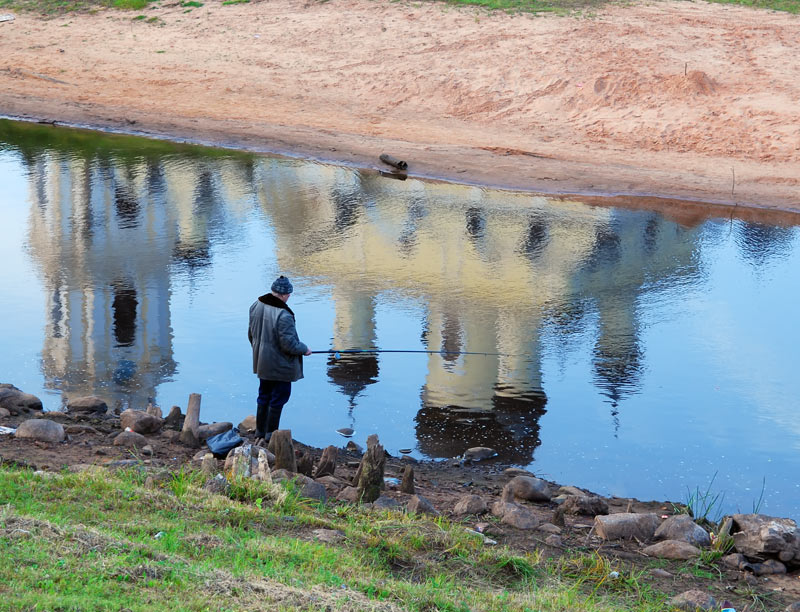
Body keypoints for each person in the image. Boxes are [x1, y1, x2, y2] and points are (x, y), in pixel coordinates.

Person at [248, 275, 311, 445]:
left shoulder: (256, 305)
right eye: (289, 295)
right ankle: (270, 435)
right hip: (280, 366)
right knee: (279, 398)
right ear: (284, 295)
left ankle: (259, 433)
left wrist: (259, 351)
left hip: (262, 361)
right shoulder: (284, 315)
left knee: (263, 395)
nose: (289, 298)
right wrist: (304, 349)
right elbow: (289, 345)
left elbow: (251, 334)